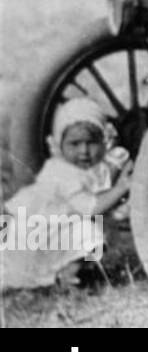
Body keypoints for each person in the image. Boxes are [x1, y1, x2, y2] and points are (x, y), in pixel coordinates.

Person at [1, 98, 133, 290]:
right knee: (91, 232)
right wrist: (122, 187)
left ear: (104, 142)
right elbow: (91, 208)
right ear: (59, 145)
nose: (84, 151)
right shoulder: (61, 173)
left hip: (55, 226)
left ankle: (79, 269)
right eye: (75, 144)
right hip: (33, 232)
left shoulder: (91, 166)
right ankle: (66, 275)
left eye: (92, 143)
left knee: (93, 230)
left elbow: (105, 176)